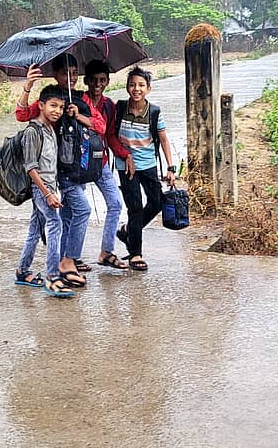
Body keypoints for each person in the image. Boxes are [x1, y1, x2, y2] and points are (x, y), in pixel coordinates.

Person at [16, 54, 105, 287]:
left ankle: (30, 268)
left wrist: (79, 114)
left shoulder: (81, 99)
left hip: (76, 168)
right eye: (65, 73)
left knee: (52, 220)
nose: (71, 77)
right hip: (54, 171)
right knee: (73, 214)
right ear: (55, 75)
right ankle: (61, 267)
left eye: (75, 72)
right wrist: (28, 87)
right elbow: (22, 115)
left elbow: (100, 126)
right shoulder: (49, 99)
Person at [111, 66, 176, 271]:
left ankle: (128, 230)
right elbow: (110, 134)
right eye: (132, 85)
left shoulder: (154, 112)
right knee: (135, 207)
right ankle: (135, 253)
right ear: (127, 87)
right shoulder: (119, 109)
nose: (136, 89)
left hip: (148, 165)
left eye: (141, 85)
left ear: (148, 88)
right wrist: (124, 155)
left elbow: (164, 140)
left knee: (157, 202)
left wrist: (171, 167)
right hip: (125, 166)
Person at [15, 85, 75, 298]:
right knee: (55, 224)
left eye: (61, 107)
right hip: (41, 188)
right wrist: (48, 193)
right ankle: (52, 276)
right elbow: (30, 167)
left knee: (34, 229)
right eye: (53, 106)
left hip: (49, 186)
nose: (57, 111)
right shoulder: (33, 131)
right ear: (41, 105)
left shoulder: (51, 128)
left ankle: (22, 271)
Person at [82, 59, 128, 270]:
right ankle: (70, 257)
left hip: (101, 162)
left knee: (115, 204)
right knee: (77, 209)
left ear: (108, 81)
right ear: (86, 81)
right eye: (93, 80)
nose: (97, 84)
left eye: (102, 80)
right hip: (79, 164)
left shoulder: (109, 106)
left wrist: (125, 154)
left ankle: (106, 252)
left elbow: (110, 135)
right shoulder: (77, 101)